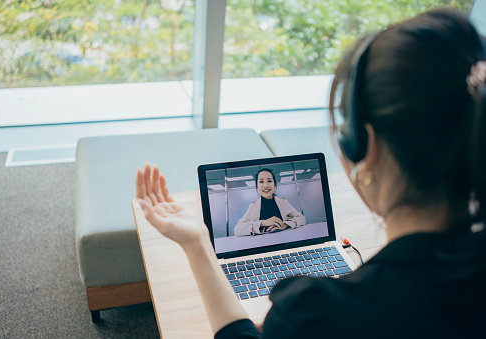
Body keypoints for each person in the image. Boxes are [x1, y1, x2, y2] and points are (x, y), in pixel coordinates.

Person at [135, 8, 486, 338]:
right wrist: (222, 236)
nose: (267, 184)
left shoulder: (316, 314)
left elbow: (301, 222)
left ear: (364, 146)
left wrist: (202, 245)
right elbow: (242, 229)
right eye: (262, 181)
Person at [233, 168, 306, 236]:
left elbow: (302, 218)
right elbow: (237, 229)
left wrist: (286, 225)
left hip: (285, 239)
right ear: (257, 187)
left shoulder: (283, 202)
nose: (265, 185)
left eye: (269, 181)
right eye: (261, 181)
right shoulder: (254, 205)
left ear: (274, 185)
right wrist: (263, 223)